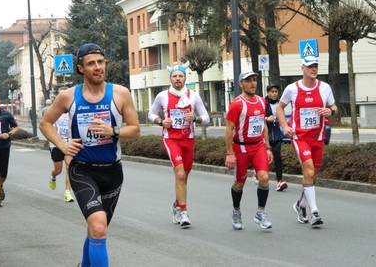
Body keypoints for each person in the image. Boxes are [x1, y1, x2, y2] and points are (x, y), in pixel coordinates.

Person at [39, 43, 140, 267]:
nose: (98, 67)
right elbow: (45, 123)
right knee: (98, 226)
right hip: (82, 169)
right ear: (80, 68)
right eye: (91, 63)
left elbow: (135, 129)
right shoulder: (68, 96)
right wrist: (63, 146)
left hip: (112, 172)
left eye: (101, 62)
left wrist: (112, 130)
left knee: (96, 230)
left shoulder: (120, 93)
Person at [276, 56, 337, 226]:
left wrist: (330, 111)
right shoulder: (292, 89)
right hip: (299, 137)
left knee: (313, 175)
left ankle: (300, 205)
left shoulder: (324, 88)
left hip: (318, 137)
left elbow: (334, 107)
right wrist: (285, 126)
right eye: (310, 66)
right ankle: (315, 212)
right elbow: (280, 107)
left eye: (316, 66)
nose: (314, 69)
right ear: (302, 68)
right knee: (308, 172)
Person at [148, 64, 210, 227]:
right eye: (174, 76)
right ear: (170, 78)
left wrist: (196, 118)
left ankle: (176, 204)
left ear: (185, 78)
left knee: (184, 176)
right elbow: (151, 114)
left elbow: (206, 117)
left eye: (180, 76)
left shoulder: (194, 96)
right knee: (180, 175)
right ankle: (184, 213)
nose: (177, 79)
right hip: (171, 139)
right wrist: (161, 121)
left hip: (188, 139)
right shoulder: (162, 96)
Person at [224, 71, 273, 230]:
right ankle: (236, 211)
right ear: (241, 84)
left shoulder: (261, 101)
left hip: (258, 146)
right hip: (241, 147)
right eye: (248, 81)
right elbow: (228, 129)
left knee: (264, 178)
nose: (252, 83)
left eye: (254, 80)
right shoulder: (237, 104)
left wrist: (267, 147)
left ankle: (260, 213)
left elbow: (263, 124)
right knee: (239, 183)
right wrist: (230, 153)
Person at [48, 109, 75, 202]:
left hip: (69, 144)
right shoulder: (55, 113)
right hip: (57, 144)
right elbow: (50, 128)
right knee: (58, 170)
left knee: (69, 167)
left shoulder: (73, 113)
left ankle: (68, 192)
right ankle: (53, 175)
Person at [265, 83, 288, 191]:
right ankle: (260, 175)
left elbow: (282, 116)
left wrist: (284, 121)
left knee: (278, 158)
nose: (274, 94)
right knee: (266, 159)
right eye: (272, 92)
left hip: (277, 135)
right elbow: (257, 117)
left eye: (276, 92)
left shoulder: (280, 104)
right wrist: (266, 119)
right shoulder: (263, 103)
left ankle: (280, 181)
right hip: (266, 136)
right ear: (268, 93)